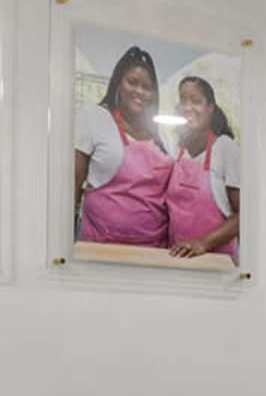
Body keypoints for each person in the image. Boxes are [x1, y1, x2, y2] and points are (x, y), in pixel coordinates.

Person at [73, 44, 228, 255]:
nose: (140, 91)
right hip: (101, 250)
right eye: (132, 82)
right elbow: (71, 188)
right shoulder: (94, 118)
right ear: (118, 82)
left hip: (156, 252)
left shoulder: (162, 135)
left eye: (147, 87)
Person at [169, 72, 244, 260]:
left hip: (217, 261)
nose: (187, 107)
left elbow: (245, 214)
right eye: (183, 101)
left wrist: (203, 244)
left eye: (195, 101)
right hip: (177, 257)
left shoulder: (225, 147)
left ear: (210, 107)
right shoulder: (176, 149)